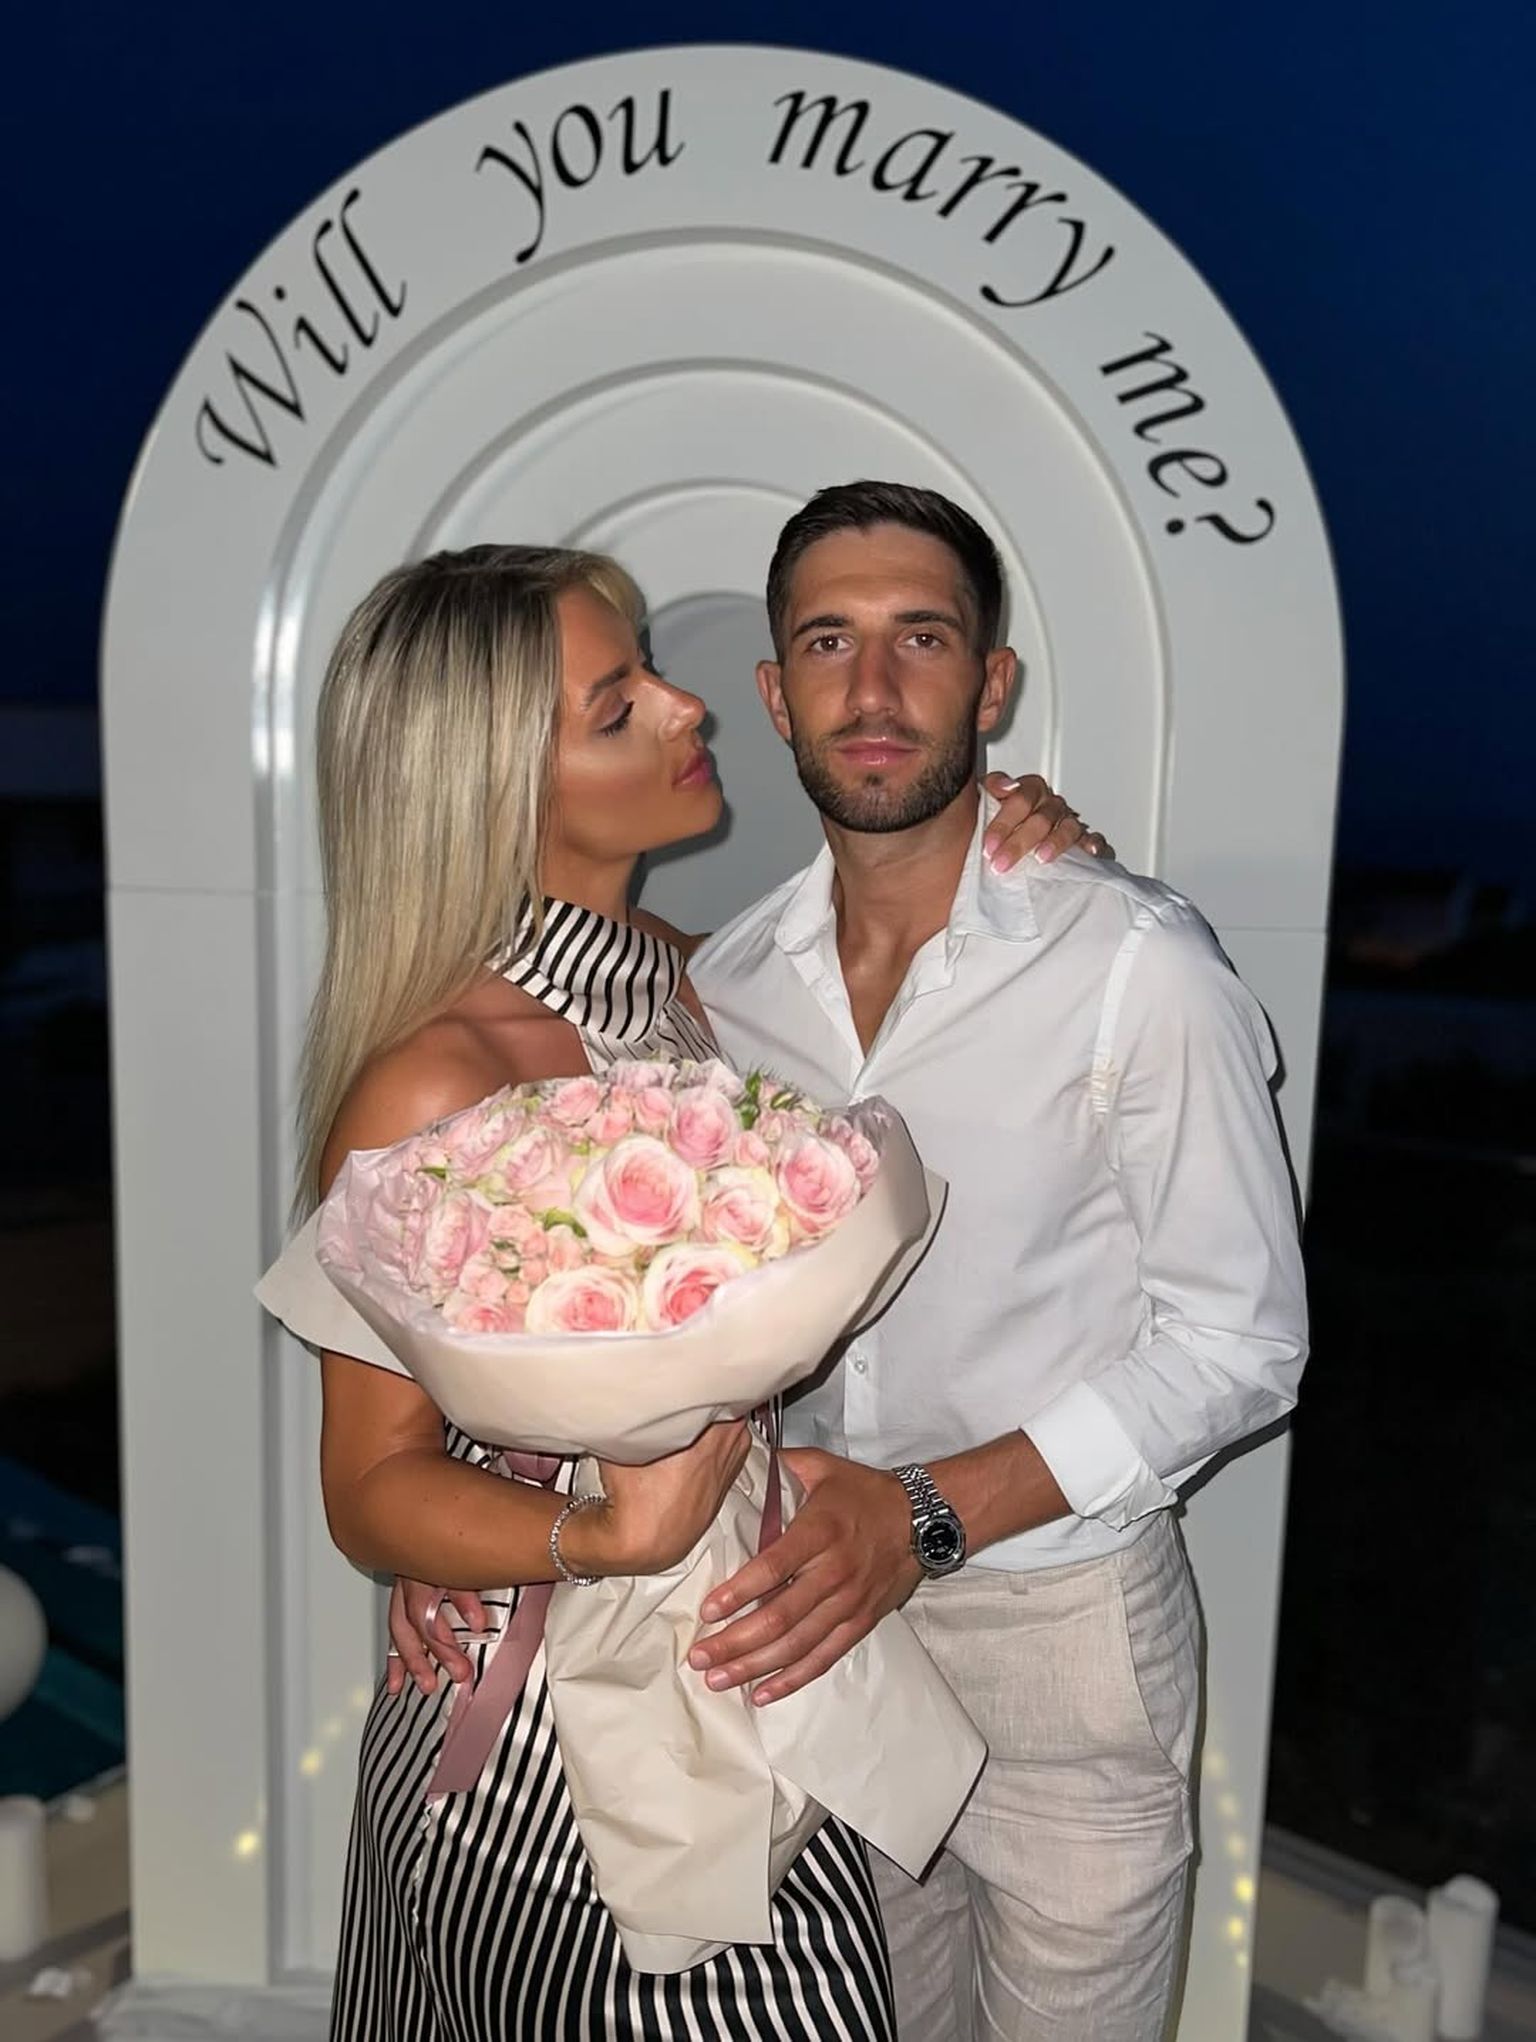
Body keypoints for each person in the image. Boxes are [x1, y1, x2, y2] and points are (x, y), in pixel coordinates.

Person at [301, 539, 1097, 2042]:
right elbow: (368, 1486)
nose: (689, 708)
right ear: (495, 786)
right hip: (546, 1762)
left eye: (653, 670)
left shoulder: (707, 980)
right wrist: (591, 1530)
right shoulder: (433, 1073)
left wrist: (1019, 831)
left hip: (761, 1652)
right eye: (620, 705)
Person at [675, 481, 1310, 2041]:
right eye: (829, 641)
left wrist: (927, 1511)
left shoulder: (1137, 966)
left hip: (1063, 1633)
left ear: (992, 682)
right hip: (828, 1621)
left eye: (923, 638)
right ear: (776, 693)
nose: (874, 687)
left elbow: (1246, 1343)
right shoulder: (731, 991)